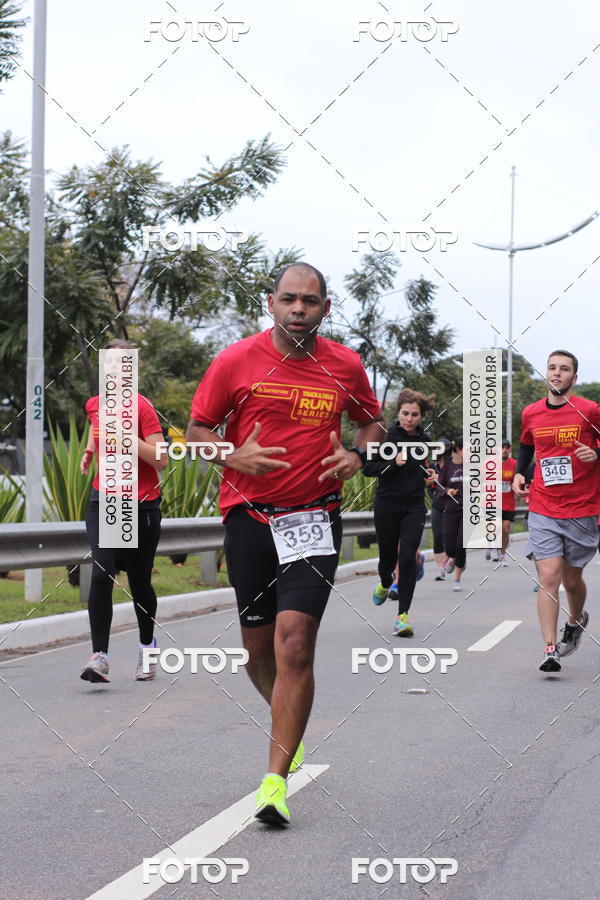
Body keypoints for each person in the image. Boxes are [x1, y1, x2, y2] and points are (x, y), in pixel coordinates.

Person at [186, 262, 383, 826]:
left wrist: (357, 454)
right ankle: (287, 728)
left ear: (326, 307)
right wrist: (231, 454)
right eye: (290, 299)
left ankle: (274, 781)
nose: (300, 308)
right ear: (271, 304)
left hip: (314, 520)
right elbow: (197, 431)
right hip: (249, 520)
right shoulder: (235, 360)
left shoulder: (344, 363)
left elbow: (372, 423)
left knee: (295, 642)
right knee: (259, 654)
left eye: (311, 301)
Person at [79, 339, 168, 684]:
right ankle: (99, 656)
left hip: (140, 503)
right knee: (102, 573)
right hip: (105, 499)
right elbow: (95, 426)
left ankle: (147, 646)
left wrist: (128, 437)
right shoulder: (95, 405)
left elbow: (160, 459)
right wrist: (90, 450)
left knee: (139, 581)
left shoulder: (142, 408)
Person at [513, 349, 600, 672]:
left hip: (582, 508)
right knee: (549, 576)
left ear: (574, 378)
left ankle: (575, 622)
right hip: (544, 506)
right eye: (552, 368)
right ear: (546, 374)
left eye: (564, 369)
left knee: (572, 580)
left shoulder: (590, 410)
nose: (557, 373)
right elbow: (526, 445)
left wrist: (597, 453)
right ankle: (550, 649)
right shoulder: (532, 413)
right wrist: (521, 472)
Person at [365, 389, 436, 636]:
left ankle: (402, 616)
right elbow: (369, 469)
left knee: (407, 558)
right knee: (387, 558)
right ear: (398, 413)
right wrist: (393, 464)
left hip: (414, 507)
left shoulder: (425, 442)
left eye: (415, 414)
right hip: (386, 505)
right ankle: (385, 582)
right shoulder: (386, 437)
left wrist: (432, 477)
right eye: (405, 413)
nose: (409, 419)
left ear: (421, 416)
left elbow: (430, 468)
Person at [437, 438, 465, 591]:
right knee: (450, 547)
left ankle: (457, 579)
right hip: (451, 509)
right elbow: (439, 487)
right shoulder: (447, 467)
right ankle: (453, 558)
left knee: (461, 544)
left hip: (469, 511)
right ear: (459, 450)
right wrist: (447, 491)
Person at [429, 438, 452, 579]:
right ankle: (441, 568)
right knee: (437, 535)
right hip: (437, 504)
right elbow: (427, 486)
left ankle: (453, 558)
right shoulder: (431, 467)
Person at [499, 438, 517, 565]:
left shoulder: (515, 464)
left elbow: (517, 480)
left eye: (507, 448)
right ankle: (492, 546)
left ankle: (502, 554)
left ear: (510, 450)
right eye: (502, 447)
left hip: (508, 502)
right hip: (493, 502)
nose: (504, 450)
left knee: (505, 529)